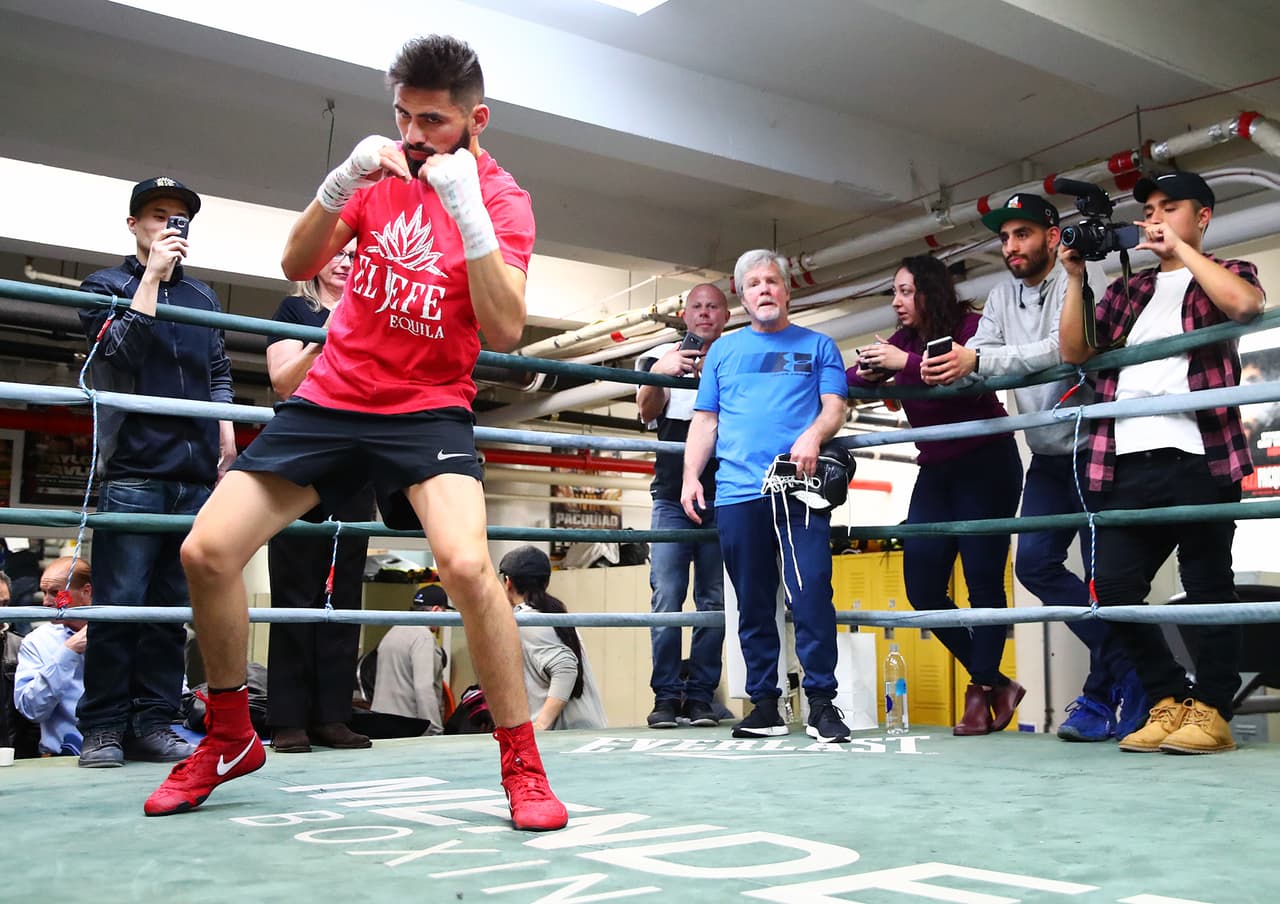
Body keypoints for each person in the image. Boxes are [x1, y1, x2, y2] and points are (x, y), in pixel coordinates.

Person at [145, 35, 568, 830]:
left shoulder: (504, 199)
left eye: (434, 120)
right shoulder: (380, 176)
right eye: (404, 116)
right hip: (334, 396)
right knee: (205, 551)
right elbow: (295, 259)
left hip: (427, 403)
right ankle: (232, 737)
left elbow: (507, 326)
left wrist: (467, 209)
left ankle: (522, 762)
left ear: (476, 119)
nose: (414, 135)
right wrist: (342, 181)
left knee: (470, 567)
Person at [920, 194, 1146, 742]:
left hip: (1095, 450)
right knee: (1034, 565)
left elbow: (1063, 349)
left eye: (1022, 234)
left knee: (1105, 586)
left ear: (1051, 236)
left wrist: (980, 361)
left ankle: (1106, 697)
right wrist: (955, 366)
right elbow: (980, 364)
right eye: (1004, 238)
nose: (1011, 247)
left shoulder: (1080, 281)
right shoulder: (999, 296)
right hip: (1045, 457)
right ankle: (1130, 667)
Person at [1060, 170, 1265, 755]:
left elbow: (1246, 306)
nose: (1153, 217)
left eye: (1168, 207)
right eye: (1148, 208)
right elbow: (1076, 353)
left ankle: (1214, 709)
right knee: (1115, 588)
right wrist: (1076, 277)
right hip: (1124, 459)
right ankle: (1169, 699)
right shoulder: (1131, 290)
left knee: (1207, 587)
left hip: (1200, 455)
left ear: (1201, 217)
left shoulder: (1227, 272)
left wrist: (1181, 252)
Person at [77, 177, 236, 769]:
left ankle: (157, 720)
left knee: (171, 611)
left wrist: (225, 428)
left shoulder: (202, 299)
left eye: (179, 216)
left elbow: (217, 365)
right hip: (135, 469)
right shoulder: (106, 284)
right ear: (133, 225)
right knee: (119, 605)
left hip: (193, 473)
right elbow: (114, 360)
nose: (170, 225)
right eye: (157, 215)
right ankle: (102, 728)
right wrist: (149, 280)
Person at [682, 249, 851, 743]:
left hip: (797, 488)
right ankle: (764, 706)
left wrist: (814, 435)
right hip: (737, 492)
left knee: (813, 590)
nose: (764, 290)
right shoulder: (723, 352)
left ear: (787, 289)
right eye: (754, 283)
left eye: (772, 281)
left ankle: (823, 704)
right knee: (753, 602)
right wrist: (692, 476)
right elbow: (706, 421)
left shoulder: (819, 345)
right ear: (742, 295)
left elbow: (834, 406)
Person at [852, 255, 1024, 736]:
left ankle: (977, 691)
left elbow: (960, 382)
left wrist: (901, 364)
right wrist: (865, 371)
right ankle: (996, 682)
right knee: (922, 587)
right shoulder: (901, 344)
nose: (897, 301)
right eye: (894, 292)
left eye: (906, 291)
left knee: (983, 583)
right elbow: (850, 381)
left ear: (931, 291)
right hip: (936, 470)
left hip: (986, 461)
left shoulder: (971, 327)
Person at [263, 241, 373, 754]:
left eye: (357, 251)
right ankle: (288, 718)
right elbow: (283, 383)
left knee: (344, 590)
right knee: (294, 587)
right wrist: (322, 339)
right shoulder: (296, 309)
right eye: (338, 250)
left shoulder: (378, 308)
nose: (347, 259)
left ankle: (332, 714)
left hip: (357, 454)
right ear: (318, 259)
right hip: (303, 451)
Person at [635, 283, 730, 729]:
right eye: (697, 306)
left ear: (726, 316)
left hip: (723, 493)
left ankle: (700, 696)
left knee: (713, 599)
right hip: (672, 495)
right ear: (684, 314)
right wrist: (661, 371)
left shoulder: (735, 357)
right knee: (668, 597)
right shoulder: (661, 355)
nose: (705, 313)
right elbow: (645, 412)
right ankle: (667, 697)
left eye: (713, 307)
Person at [499, 546, 606, 731]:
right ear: (546, 582)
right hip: (582, 731)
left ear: (508, 582)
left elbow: (565, 667)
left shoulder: (528, 621)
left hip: (563, 738)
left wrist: (541, 723)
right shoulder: (553, 613)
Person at [14, 557, 93, 756]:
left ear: (86, 591)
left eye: (55, 593)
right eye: (44, 592)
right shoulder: (37, 642)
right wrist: (67, 653)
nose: (46, 601)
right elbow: (32, 710)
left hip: (124, 754)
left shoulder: (123, 633)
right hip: (60, 759)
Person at [372, 584, 452, 732]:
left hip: (379, 722)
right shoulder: (423, 637)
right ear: (436, 610)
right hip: (406, 728)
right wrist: (434, 729)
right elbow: (424, 688)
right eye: (445, 612)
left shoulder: (393, 631)